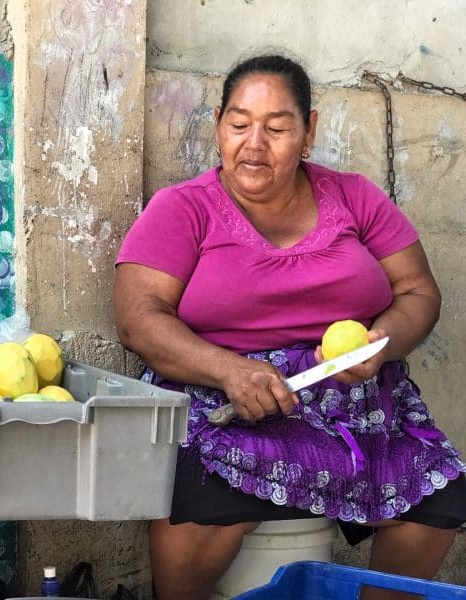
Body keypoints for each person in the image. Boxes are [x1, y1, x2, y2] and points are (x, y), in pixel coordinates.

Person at [113, 53, 466, 600]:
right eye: (238, 124)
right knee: (212, 497)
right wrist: (230, 371)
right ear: (217, 125)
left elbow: (418, 292)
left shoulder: (354, 197)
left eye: (277, 128)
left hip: (354, 402)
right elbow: (139, 318)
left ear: (309, 131)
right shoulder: (182, 208)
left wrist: (383, 341)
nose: (254, 144)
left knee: (438, 499)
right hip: (224, 398)